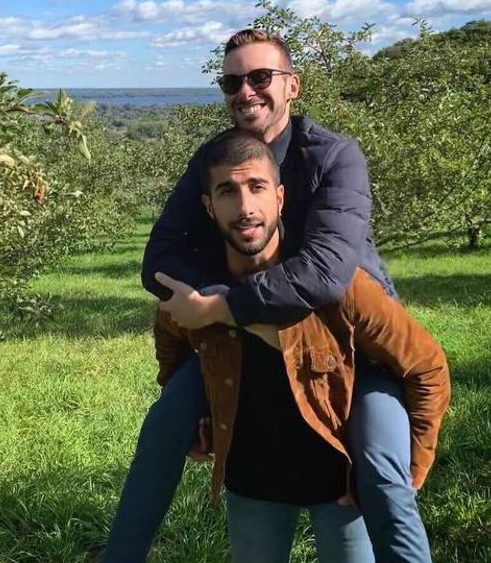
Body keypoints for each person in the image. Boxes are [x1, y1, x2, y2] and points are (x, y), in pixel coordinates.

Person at [102, 29, 432, 563]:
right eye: (232, 81)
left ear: (292, 86)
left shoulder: (332, 156)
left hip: (349, 336)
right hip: (250, 332)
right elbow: (160, 260)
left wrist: (217, 306)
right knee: (166, 421)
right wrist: (221, 314)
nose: (246, 91)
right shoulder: (218, 161)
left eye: (260, 77)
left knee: (378, 465)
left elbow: (324, 273)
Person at [150, 129, 449, 562]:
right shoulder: (192, 291)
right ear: (207, 206)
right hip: (252, 481)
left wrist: (412, 471)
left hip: (340, 483)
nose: (246, 208)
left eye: (257, 187)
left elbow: (427, 367)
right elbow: (170, 341)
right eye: (228, 192)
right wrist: (192, 411)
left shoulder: (339, 287)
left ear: (281, 198)